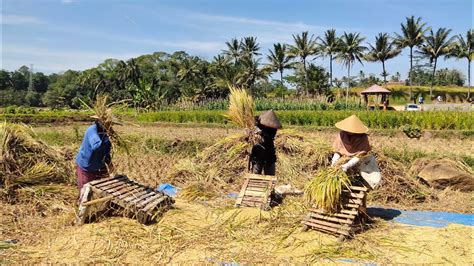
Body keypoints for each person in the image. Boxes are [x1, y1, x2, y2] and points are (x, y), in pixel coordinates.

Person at [330, 115, 382, 214]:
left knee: (362, 188)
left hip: (362, 163)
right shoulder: (342, 135)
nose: (349, 132)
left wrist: (348, 165)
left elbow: (361, 154)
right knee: (344, 186)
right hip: (343, 161)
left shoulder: (362, 137)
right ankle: (341, 208)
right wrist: (334, 161)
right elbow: (338, 150)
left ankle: (362, 210)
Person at [75, 116, 114, 199]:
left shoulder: (107, 132)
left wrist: (111, 166)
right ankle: (81, 209)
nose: (108, 124)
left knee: (106, 188)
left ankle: (102, 208)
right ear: (99, 121)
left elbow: (106, 152)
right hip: (87, 166)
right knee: (85, 192)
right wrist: (108, 139)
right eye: (105, 122)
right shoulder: (92, 130)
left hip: (100, 165)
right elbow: (96, 146)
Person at [249, 110, 282, 176]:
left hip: (269, 155)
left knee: (270, 176)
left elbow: (270, 138)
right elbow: (250, 134)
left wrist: (262, 134)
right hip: (257, 155)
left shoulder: (273, 129)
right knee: (255, 176)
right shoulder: (257, 125)